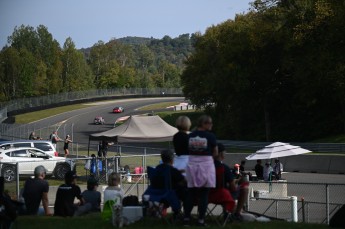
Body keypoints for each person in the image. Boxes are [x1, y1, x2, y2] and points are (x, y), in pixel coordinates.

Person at [184, 115, 218, 226]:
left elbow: (187, 150)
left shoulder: (190, 136)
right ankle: (201, 220)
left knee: (190, 192)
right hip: (206, 165)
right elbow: (216, 153)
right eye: (210, 123)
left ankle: (186, 219)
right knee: (204, 194)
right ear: (204, 124)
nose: (212, 125)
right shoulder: (210, 136)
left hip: (192, 165)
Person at [208, 143, 236, 219]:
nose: (225, 154)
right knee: (244, 189)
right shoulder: (224, 168)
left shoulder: (205, 166)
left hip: (204, 195)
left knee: (226, 191)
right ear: (220, 153)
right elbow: (233, 187)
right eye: (225, 152)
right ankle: (235, 214)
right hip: (220, 196)